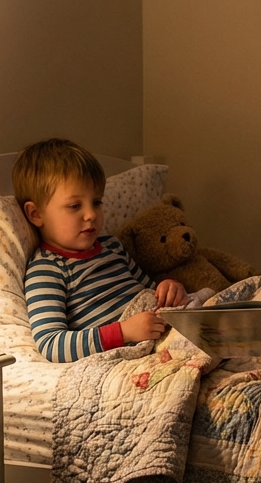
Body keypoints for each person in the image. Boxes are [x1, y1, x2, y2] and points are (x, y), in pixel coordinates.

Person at [14, 138, 187, 363]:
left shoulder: (111, 246)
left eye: (96, 202)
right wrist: (123, 332)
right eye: (75, 206)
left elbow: (149, 292)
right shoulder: (47, 270)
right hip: (131, 351)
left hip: (163, 329)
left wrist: (169, 290)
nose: (91, 214)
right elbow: (51, 344)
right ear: (36, 214)